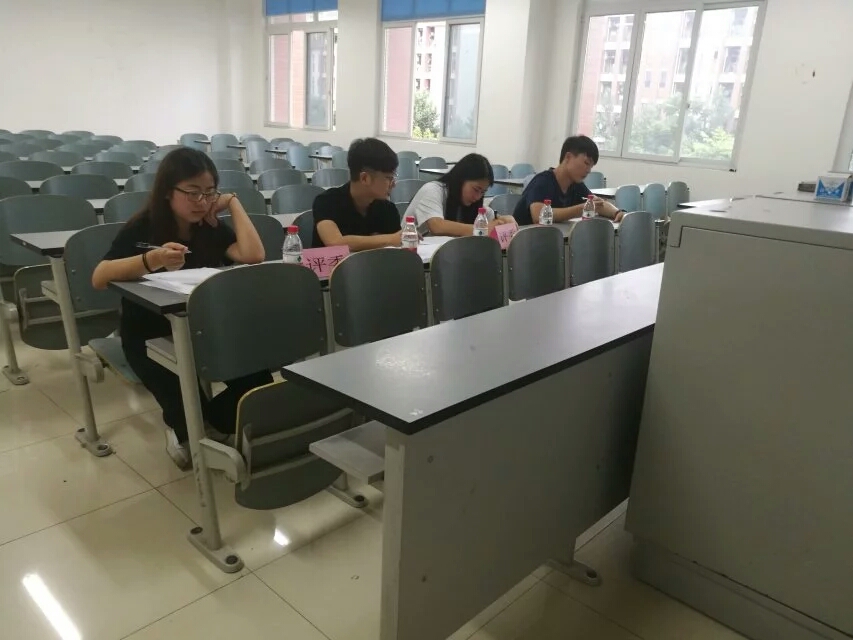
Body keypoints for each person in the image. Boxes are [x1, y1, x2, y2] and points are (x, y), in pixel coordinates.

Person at [92, 147, 270, 469]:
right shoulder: (143, 227)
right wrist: (152, 259)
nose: (202, 201)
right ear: (167, 192)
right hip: (149, 336)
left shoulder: (209, 228)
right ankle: (188, 425)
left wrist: (233, 202)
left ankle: (202, 423)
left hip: (203, 328)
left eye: (209, 192)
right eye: (192, 192)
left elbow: (253, 255)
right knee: (188, 413)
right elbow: (99, 277)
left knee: (257, 381)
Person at [312, 138, 402, 250]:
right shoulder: (327, 201)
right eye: (389, 178)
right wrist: (391, 239)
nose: (393, 184)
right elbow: (335, 242)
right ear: (364, 178)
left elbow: (397, 248)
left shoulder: (388, 209)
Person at [513, 135, 624, 225]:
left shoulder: (576, 184)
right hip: (522, 240)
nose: (589, 170)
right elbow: (538, 216)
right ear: (568, 157)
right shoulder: (543, 181)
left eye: (591, 166)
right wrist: (580, 209)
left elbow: (598, 205)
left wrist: (618, 213)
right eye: (586, 163)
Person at [408, 153, 516, 236]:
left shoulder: (471, 204)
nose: (478, 197)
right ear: (461, 180)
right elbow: (436, 226)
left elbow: (491, 218)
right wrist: (482, 230)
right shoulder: (432, 190)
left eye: (483, 192)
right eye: (476, 189)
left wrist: (504, 220)